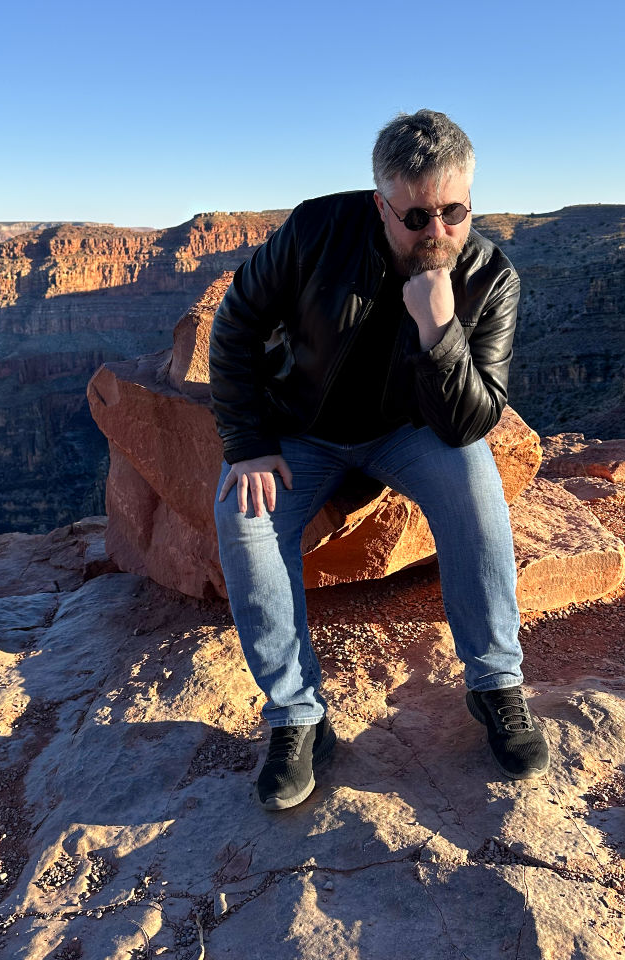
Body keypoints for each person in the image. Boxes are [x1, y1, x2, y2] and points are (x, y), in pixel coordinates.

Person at [209, 109, 549, 811]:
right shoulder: (315, 230)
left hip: (414, 431)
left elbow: (469, 421)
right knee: (242, 519)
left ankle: (496, 687)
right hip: (302, 431)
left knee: (478, 494)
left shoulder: (490, 276)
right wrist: (246, 443)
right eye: (416, 215)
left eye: (454, 212)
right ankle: (297, 717)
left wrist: (439, 324)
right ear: (380, 204)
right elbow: (237, 321)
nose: (438, 233)